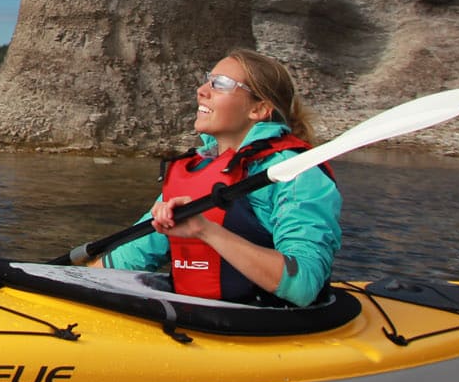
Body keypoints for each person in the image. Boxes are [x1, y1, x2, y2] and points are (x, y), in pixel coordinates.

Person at [87, 49, 341, 307]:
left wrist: (205, 230)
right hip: (202, 321)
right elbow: (132, 254)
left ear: (259, 109)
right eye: (208, 79)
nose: (201, 90)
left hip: (274, 328)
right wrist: (75, 280)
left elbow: (304, 285)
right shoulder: (199, 170)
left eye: (220, 84)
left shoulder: (298, 174)